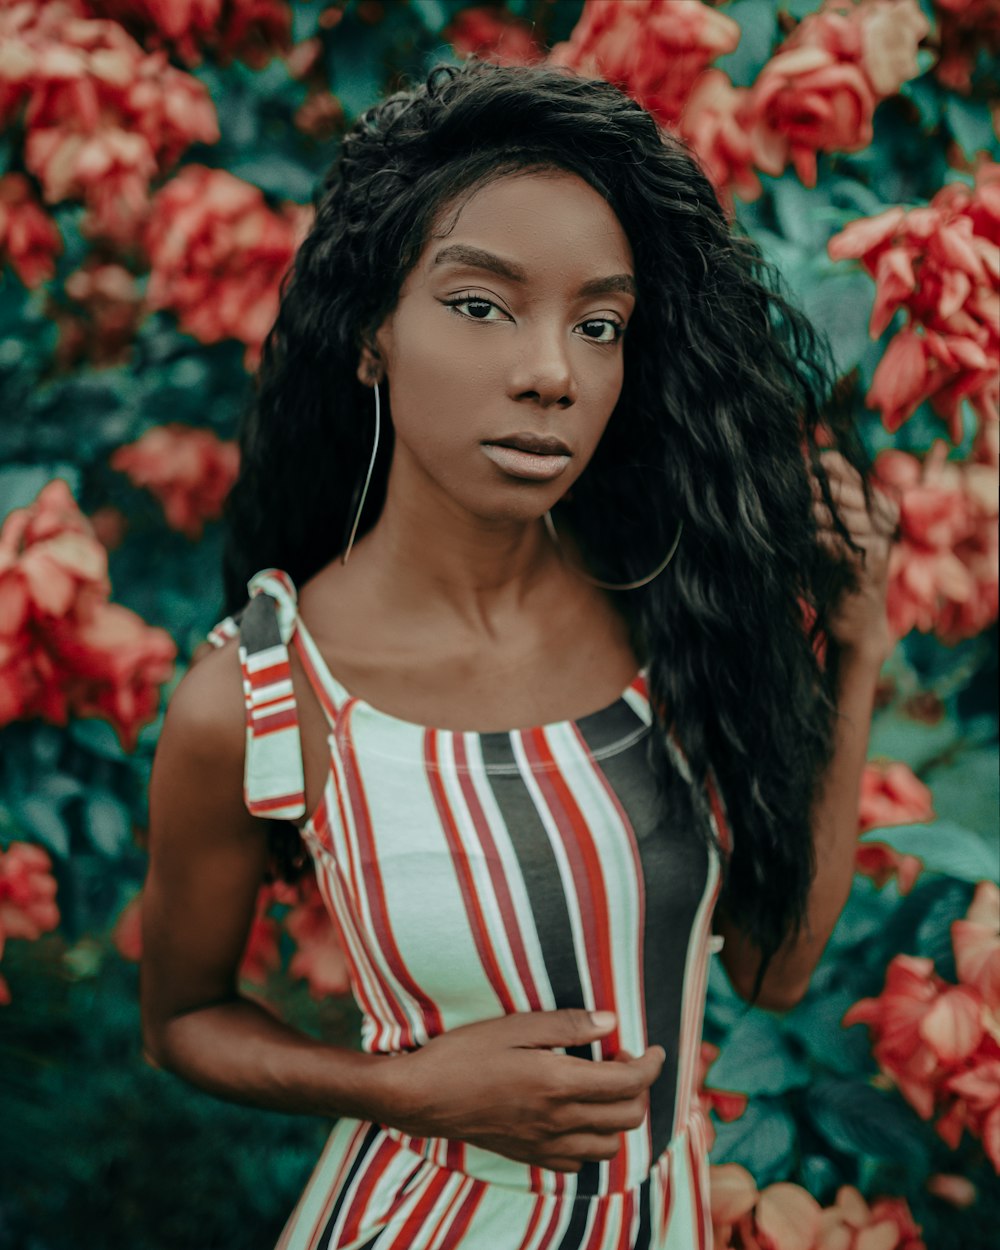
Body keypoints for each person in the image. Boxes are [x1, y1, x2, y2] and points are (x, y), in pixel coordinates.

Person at [139, 58, 898, 1250]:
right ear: (371, 335)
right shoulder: (258, 695)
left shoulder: (667, 611)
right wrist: (399, 1088)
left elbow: (775, 970)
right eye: (481, 304)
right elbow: (182, 1017)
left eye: (597, 324)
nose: (550, 371)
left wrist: (853, 653)